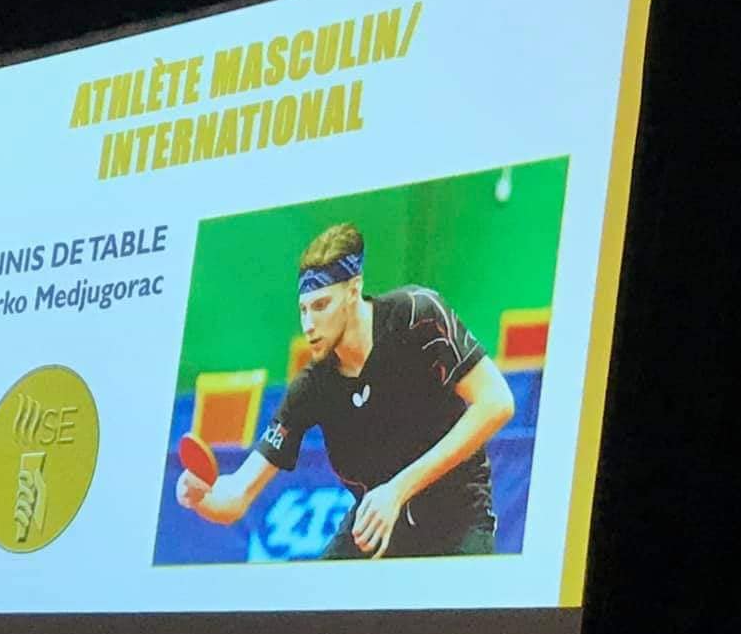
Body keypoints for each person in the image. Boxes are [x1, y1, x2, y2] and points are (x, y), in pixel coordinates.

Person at [177, 223, 514, 559]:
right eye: (303, 310)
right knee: (317, 594)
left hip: (457, 521)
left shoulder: (416, 316)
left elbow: (497, 402)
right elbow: (236, 496)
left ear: (354, 291)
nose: (309, 324)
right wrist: (200, 496)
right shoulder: (311, 387)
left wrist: (397, 490)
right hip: (375, 526)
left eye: (321, 305)